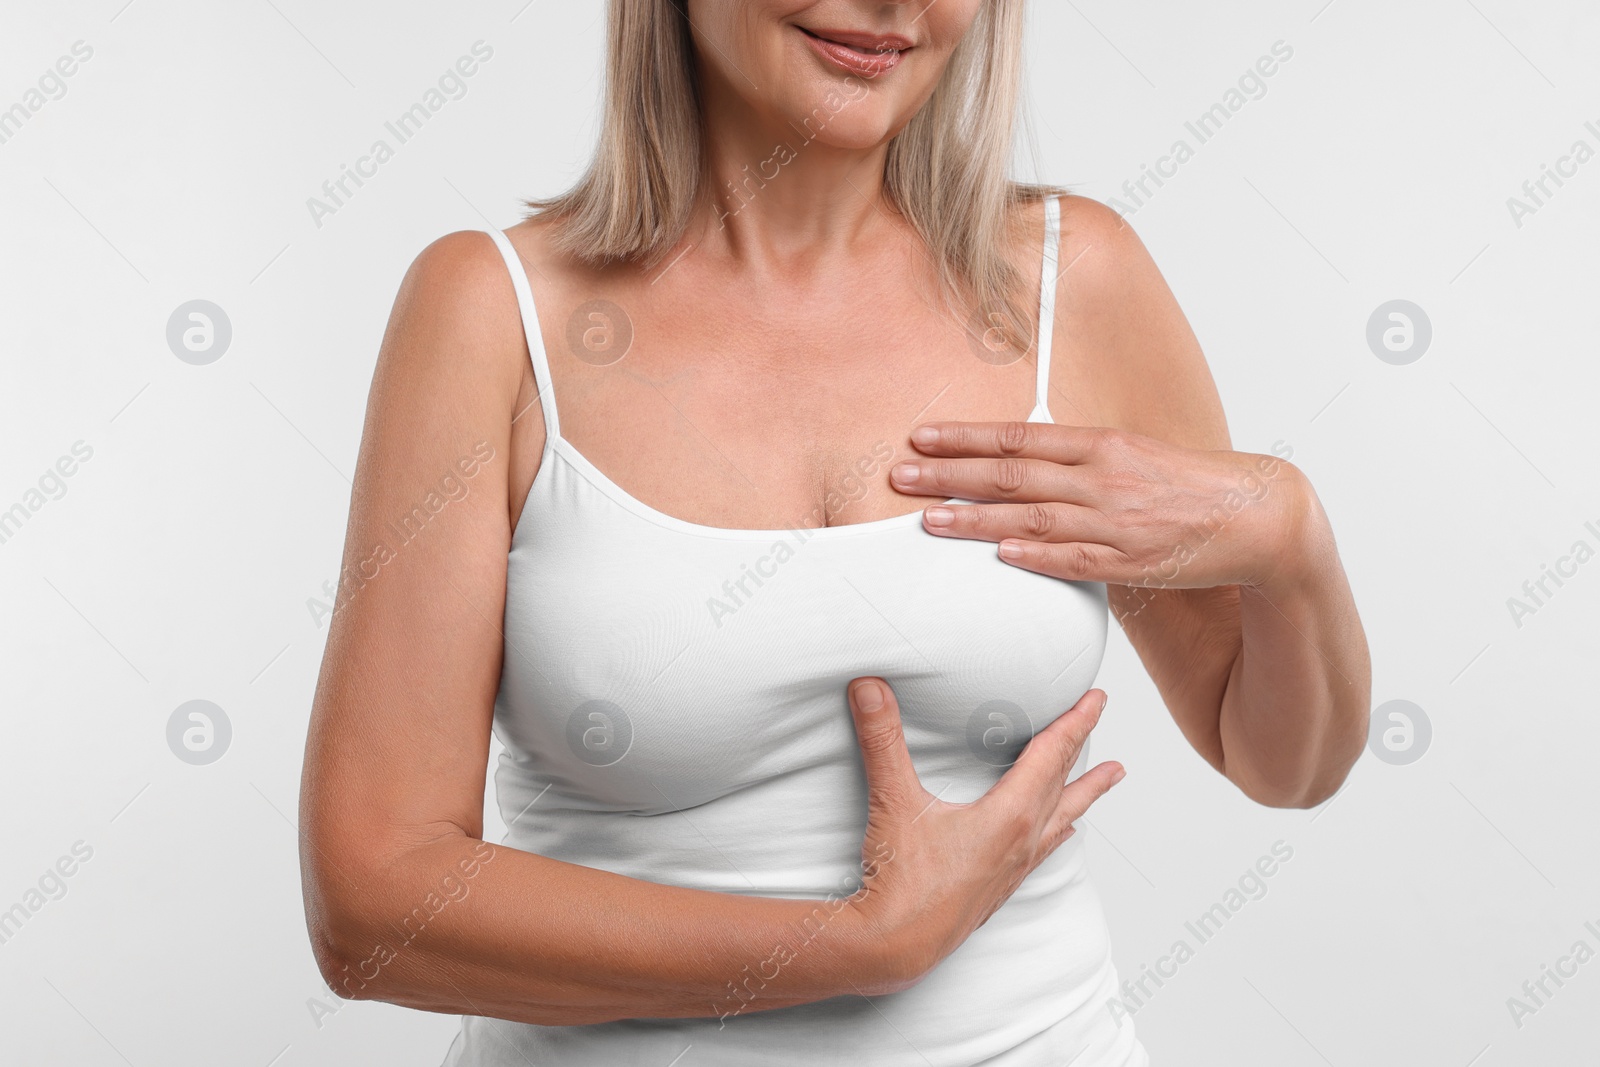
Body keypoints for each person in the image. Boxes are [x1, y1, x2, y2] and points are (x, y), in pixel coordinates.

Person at [298, 2, 1371, 1064]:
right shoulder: (492, 311)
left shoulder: (1072, 278)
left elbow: (1282, 762)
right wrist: (853, 947)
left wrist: (1289, 534)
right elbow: (371, 905)